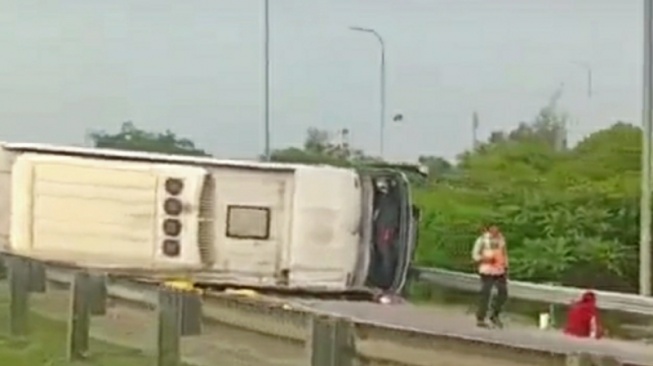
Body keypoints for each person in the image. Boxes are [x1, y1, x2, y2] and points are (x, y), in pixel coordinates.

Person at [471, 225, 509, 328]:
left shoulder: (501, 240)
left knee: (503, 293)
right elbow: (475, 255)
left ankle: (494, 314)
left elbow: (504, 253)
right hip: (487, 270)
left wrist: (506, 265)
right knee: (485, 293)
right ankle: (481, 318)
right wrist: (484, 259)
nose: (495, 232)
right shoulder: (482, 240)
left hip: (499, 270)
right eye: (493, 230)